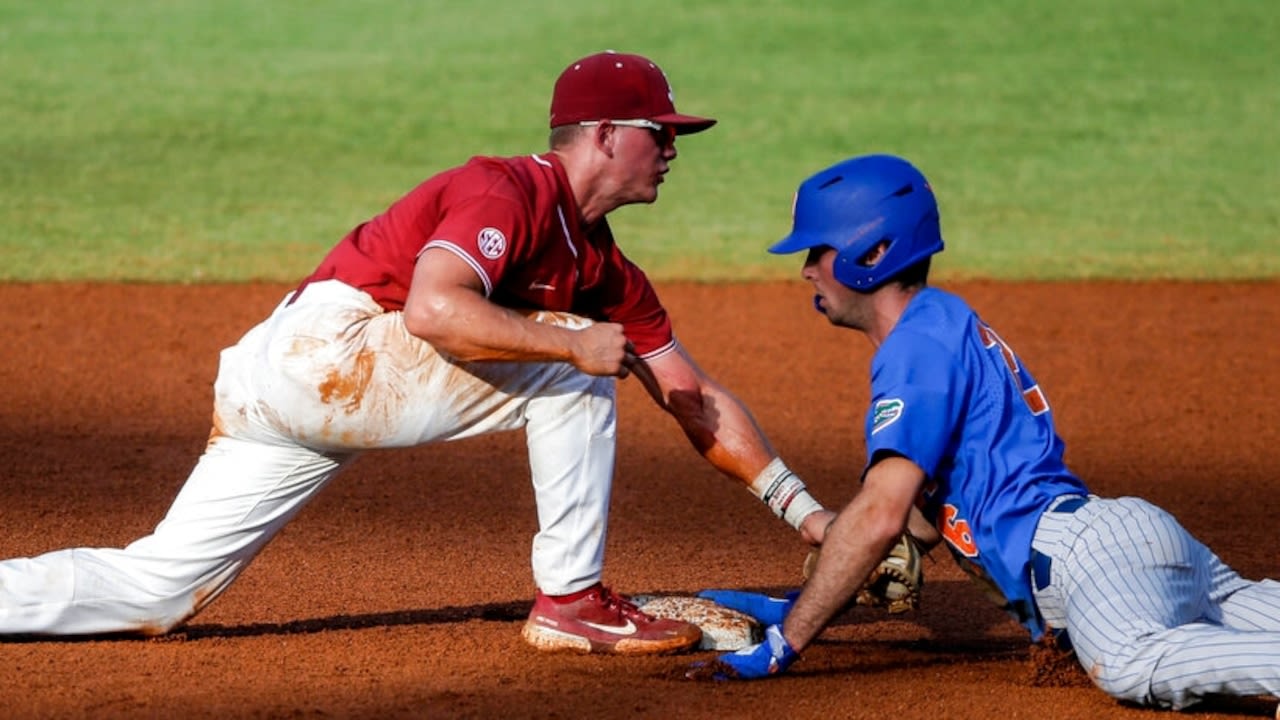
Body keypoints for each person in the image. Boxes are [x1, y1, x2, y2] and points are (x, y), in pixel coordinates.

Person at [0, 50, 838, 655]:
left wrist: (809, 517)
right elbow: (436, 309)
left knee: (162, 590)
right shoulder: (505, 189)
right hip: (326, 349)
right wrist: (574, 342)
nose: (674, 148)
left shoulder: (610, 272)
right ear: (607, 135)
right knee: (573, 366)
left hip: (288, 390)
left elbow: (689, 393)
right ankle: (572, 601)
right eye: (661, 131)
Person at [695, 153, 1280, 712]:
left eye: (817, 251)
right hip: (1121, 543)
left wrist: (784, 644)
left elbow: (880, 515)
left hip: (1090, 560)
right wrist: (805, 599)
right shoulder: (944, 320)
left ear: (870, 253)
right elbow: (918, 519)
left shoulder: (916, 351)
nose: (804, 270)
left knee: (1130, 662)